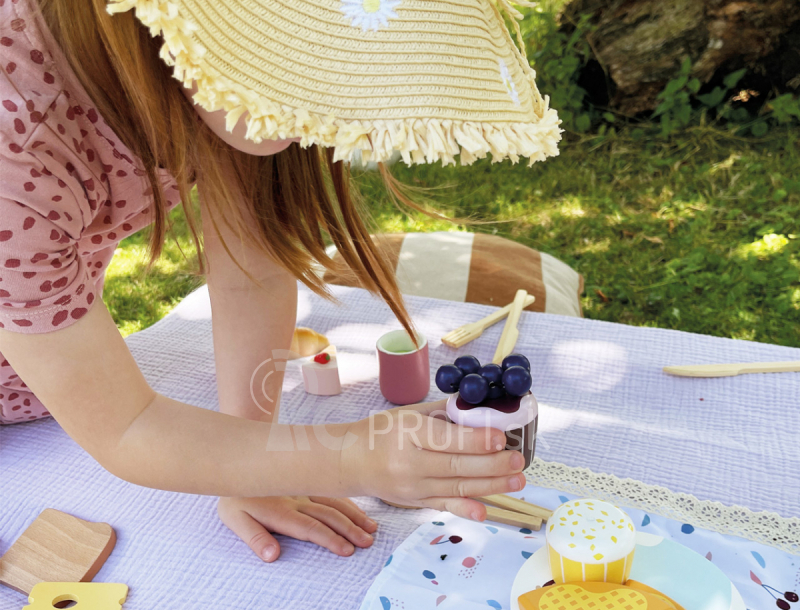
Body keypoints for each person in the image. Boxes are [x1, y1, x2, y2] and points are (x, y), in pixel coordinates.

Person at [0, 0, 560, 562]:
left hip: (37, 378)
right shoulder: (14, 148)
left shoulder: (205, 76)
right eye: (290, 49)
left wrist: (254, 466)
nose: (323, 93)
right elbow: (127, 427)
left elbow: (251, 273)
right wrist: (348, 458)